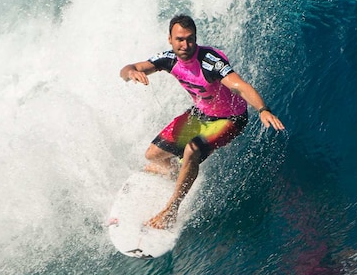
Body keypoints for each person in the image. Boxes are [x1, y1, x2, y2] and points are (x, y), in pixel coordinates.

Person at [120, 14, 285, 229]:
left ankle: (172, 209)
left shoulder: (210, 63)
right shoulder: (168, 59)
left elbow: (239, 86)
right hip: (201, 113)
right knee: (152, 155)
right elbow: (128, 68)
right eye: (180, 39)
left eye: (190, 39)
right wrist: (131, 72)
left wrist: (263, 109)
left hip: (229, 118)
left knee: (192, 150)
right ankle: (175, 172)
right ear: (170, 39)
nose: (185, 45)